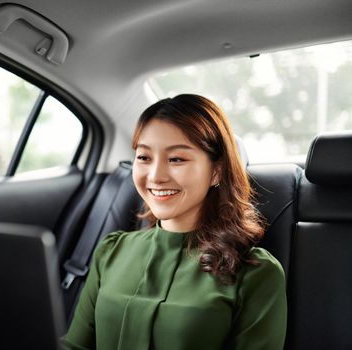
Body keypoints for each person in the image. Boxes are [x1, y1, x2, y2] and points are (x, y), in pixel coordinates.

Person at [61, 94, 287, 350]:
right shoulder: (111, 251)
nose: (156, 176)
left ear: (216, 171)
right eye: (144, 157)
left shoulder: (256, 273)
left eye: (176, 159)